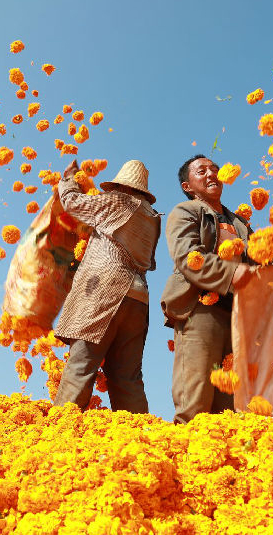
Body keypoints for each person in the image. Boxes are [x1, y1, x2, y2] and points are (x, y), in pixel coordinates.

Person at [53, 159, 162, 413]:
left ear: (120, 186)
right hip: (138, 299)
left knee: (81, 363)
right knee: (127, 377)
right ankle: (139, 439)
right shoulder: (153, 217)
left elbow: (73, 204)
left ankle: (60, 434)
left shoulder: (119, 201)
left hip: (107, 291)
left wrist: (68, 180)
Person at [160, 154, 260, 424]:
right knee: (197, 397)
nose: (211, 174)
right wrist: (233, 273)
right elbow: (187, 257)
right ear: (188, 186)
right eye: (201, 171)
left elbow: (259, 259)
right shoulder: (186, 211)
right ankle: (188, 457)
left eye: (214, 169)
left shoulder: (240, 223)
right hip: (200, 308)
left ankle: (221, 460)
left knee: (232, 402)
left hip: (237, 313)